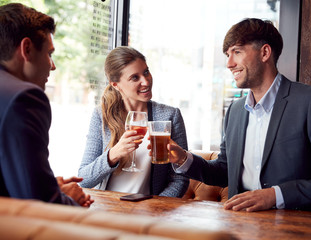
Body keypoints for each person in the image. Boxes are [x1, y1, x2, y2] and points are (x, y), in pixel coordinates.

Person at [159, 18, 311, 213]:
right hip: (241, 224)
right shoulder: (235, 111)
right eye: (227, 54)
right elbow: (224, 171)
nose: (229, 63)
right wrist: (183, 158)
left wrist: (275, 195)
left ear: (264, 52)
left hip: (300, 228)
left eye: (236, 52)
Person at [0, 3, 93, 207]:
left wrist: (50, 186)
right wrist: (70, 200)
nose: (53, 65)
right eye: (49, 54)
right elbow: (39, 203)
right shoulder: (23, 98)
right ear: (27, 49)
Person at [78, 46, 189, 197]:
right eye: (135, 78)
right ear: (115, 85)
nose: (146, 81)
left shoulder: (170, 115)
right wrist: (113, 155)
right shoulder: (101, 115)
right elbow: (83, 179)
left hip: (148, 212)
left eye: (146, 72)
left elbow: (180, 178)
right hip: (108, 209)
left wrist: (157, 207)